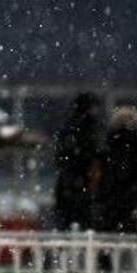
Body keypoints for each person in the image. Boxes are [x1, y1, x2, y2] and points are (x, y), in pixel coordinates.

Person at [94, 105, 137, 233]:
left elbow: (103, 171)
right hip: (131, 198)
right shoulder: (135, 144)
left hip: (110, 198)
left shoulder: (108, 143)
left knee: (109, 236)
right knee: (136, 235)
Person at [53, 93, 102, 230]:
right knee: (82, 222)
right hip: (80, 183)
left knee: (67, 223)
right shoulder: (86, 129)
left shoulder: (70, 127)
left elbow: (61, 157)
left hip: (71, 183)